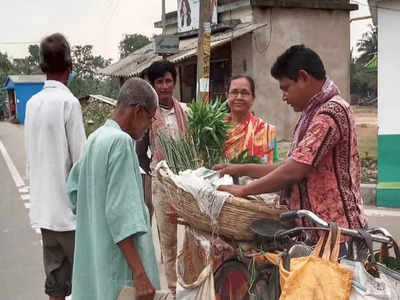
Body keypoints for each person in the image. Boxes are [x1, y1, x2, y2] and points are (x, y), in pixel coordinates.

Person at [215, 45, 367, 249]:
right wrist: (240, 169)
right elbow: (289, 165)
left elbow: (294, 171)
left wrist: (244, 190)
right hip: (313, 234)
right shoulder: (310, 114)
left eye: (286, 88)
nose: (284, 96)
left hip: (335, 238)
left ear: (304, 77)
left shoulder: (331, 112)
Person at [67, 78, 160, 300]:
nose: (149, 127)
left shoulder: (95, 139)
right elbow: (121, 216)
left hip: (96, 259)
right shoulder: (121, 143)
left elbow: (73, 192)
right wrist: (139, 273)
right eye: (150, 118)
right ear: (138, 111)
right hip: (119, 265)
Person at [24, 33, 86, 300]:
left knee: (56, 284)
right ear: (70, 67)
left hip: (44, 213)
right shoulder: (69, 103)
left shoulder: (31, 104)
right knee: (84, 282)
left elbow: (32, 157)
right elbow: (81, 162)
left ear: (41, 67)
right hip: (69, 216)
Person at [136, 60, 188, 294]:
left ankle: (191, 285)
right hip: (160, 184)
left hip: (186, 182)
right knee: (168, 242)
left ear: (174, 83)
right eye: (159, 82)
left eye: (168, 81)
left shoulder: (185, 111)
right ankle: (173, 289)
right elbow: (140, 150)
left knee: (191, 239)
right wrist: (154, 170)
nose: (164, 86)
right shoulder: (146, 116)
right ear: (152, 85)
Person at [224, 75, 278, 164]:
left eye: (245, 93)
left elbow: (274, 166)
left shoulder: (265, 131)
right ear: (227, 96)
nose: (239, 97)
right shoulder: (215, 129)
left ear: (253, 98)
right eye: (234, 92)